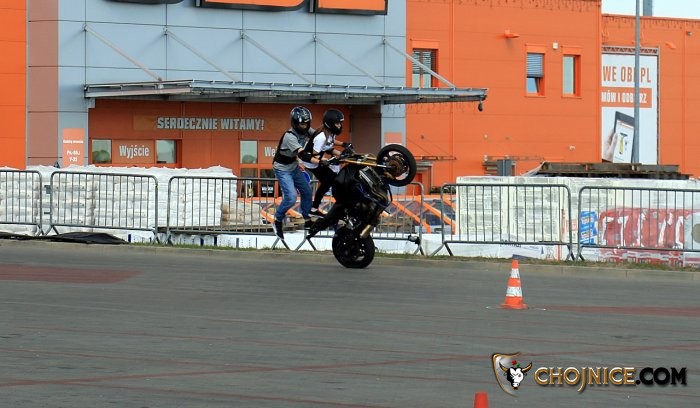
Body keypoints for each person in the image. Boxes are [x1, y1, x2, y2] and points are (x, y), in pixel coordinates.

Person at [272, 106, 327, 239]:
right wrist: (320, 161)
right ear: (295, 123)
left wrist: (337, 145)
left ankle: (307, 218)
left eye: (307, 123)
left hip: (293, 166)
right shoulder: (289, 136)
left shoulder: (307, 130)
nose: (305, 126)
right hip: (282, 169)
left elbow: (321, 138)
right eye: (302, 124)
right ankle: (277, 219)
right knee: (291, 197)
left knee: (307, 191)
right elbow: (302, 155)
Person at [300, 109, 351, 217]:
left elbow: (330, 143)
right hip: (312, 163)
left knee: (327, 183)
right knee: (335, 180)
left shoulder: (329, 133)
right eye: (337, 123)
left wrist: (343, 144)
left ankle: (314, 209)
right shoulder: (321, 137)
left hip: (318, 160)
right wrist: (326, 161)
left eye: (340, 123)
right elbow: (315, 154)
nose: (340, 125)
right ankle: (341, 207)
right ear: (330, 123)